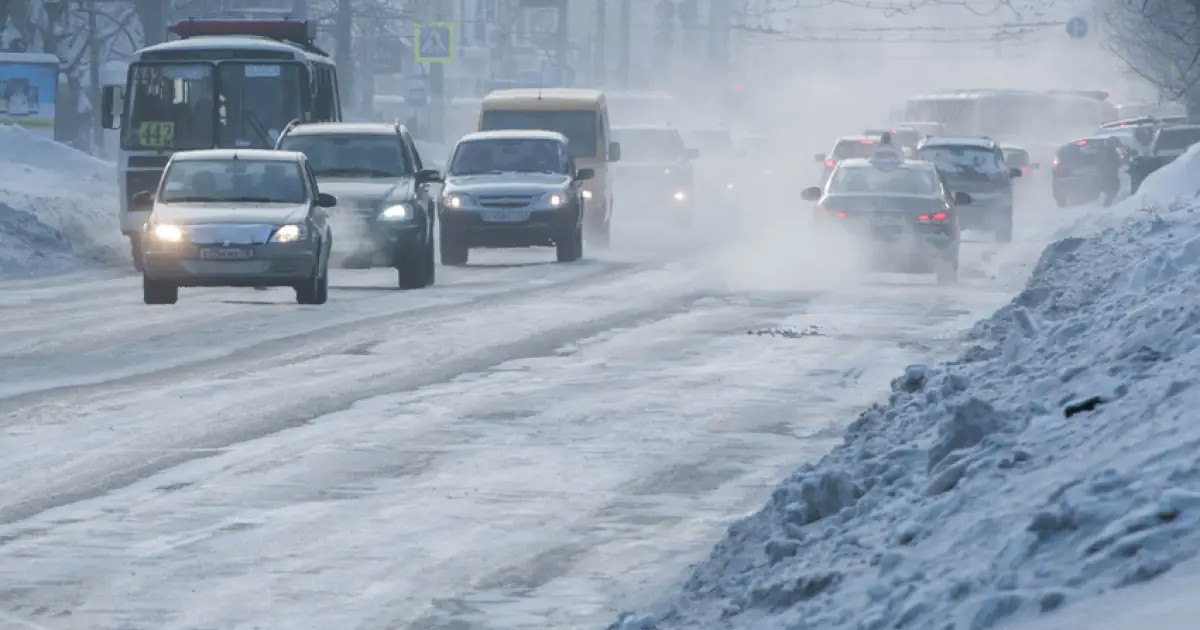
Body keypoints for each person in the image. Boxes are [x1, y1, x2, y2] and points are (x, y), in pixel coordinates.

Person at [1097, 137, 1123, 207]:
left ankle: (1108, 204)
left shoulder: (1103, 152)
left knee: (1111, 191)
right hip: (1111, 176)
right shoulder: (1112, 153)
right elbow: (1117, 163)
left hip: (1108, 176)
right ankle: (1107, 205)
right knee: (1113, 190)